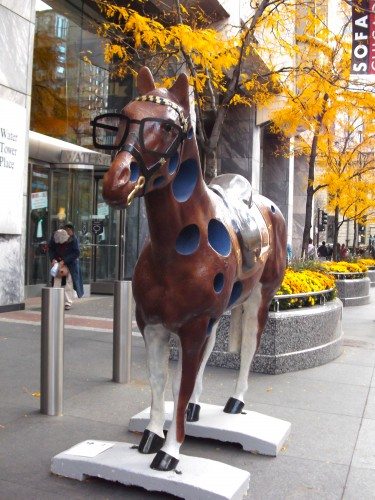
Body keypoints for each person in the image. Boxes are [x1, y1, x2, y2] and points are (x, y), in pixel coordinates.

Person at [48, 223, 84, 310]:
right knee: (57, 280)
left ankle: (68, 302)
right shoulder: (55, 236)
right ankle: (55, 300)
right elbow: (51, 248)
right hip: (57, 261)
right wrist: (53, 259)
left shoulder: (73, 239)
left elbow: (76, 253)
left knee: (69, 282)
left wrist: (64, 261)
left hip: (70, 263)